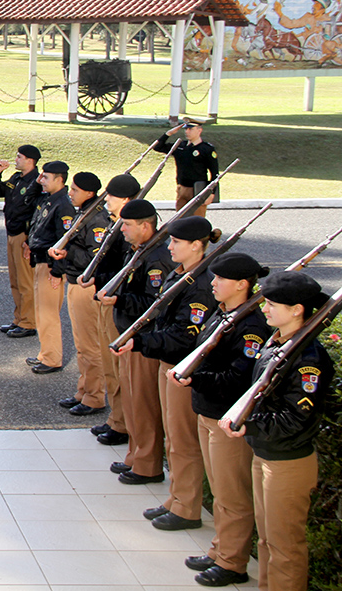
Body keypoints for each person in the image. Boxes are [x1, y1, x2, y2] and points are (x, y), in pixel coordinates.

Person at [220, 271, 336, 591]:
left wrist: (249, 424)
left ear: (297, 309)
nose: (264, 309)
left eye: (272, 304)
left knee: (285, 546)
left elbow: (294, 418)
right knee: (268, 540)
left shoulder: (308, 358)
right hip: (267, 453)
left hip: (287, 461)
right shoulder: (280, 342)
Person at [171, 252, 271, 587]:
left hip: (224, 417)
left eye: (220, 279)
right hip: (207, 410)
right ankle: (220, 550)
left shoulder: (251, 327)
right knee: (219, 490)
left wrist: (195, 379)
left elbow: (237, 379)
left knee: (232, 495)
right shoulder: (224, 311)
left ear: (242, 285)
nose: (212, 283)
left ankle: (232, 561)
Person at [114, 216, 219, 525]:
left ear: (197, 246)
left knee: (183, 441)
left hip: (182, 367)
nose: (169, 246)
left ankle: (186, 507)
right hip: (168, 363)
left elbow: (183, 336)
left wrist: (140, 342)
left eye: (176, 242)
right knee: (173, 438)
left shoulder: (201, 285)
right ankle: (176, 497)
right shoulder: (181, 272)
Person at [96, 198, 175, 485]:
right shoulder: (140, 250)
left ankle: (147, 464)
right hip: (129, 336)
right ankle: (135, 455)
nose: (123, 229)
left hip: (143, 339)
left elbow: (154, 304)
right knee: (131, 401)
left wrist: (119, 300)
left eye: (128, 225)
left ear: (145, 226)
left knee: (143, 405)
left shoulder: (157, 258)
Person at [85, 174, 140, 446]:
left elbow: (124, 271)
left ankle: (123, 424)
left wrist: (101, 279)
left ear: (126, 200)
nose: (106, 199)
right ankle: (115, 418)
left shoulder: (129, 230)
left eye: (112, 195)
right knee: (110, 367)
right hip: (106, 296)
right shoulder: (114, 222)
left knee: (119, 371)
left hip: (117, 302)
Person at [49, 171, 108, 413]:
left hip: (86, 286)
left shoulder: (97, 219)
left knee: (90, 346)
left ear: (90, 193)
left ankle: (94, 397)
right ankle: (83, 391)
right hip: (74, 282)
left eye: (75, 190)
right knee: (81, 345)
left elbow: (96, 259)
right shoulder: (84, 212)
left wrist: (68, 252)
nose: (70, 193)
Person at [24, 160, 75, 374]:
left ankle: (52, 358)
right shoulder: (48, 198)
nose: (41, 180)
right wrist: (37, 183)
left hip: (50, 265)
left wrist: (56, 271)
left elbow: (64, 241)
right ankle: (44, 353)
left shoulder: (63, 204)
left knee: (48, 314)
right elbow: (28, 200)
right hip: (40, 261)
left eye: (45, 177)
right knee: (40, 312)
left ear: (59, 179)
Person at [0, 145, 43, 338]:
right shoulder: (16, 178)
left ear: (30, 160)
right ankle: (19, 318)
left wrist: (30, 239)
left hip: (23, 235)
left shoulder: (37, 183)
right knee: (15, 281)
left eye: (19, 157)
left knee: (26, 282)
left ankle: (29, 322)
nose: (16, 160)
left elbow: (37, 215)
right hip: (12, 232)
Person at [152, 117, 218, 218]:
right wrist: (168, 134)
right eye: (186, 129)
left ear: (199, 130)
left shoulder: (206, 149)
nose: (187, 132)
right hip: (182, 188)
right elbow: (157, 147)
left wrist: (212, 193)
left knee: (197, 220)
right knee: (180, 220)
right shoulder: (180, 146)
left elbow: (215, 173)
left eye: (190, 129)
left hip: (198, 190)